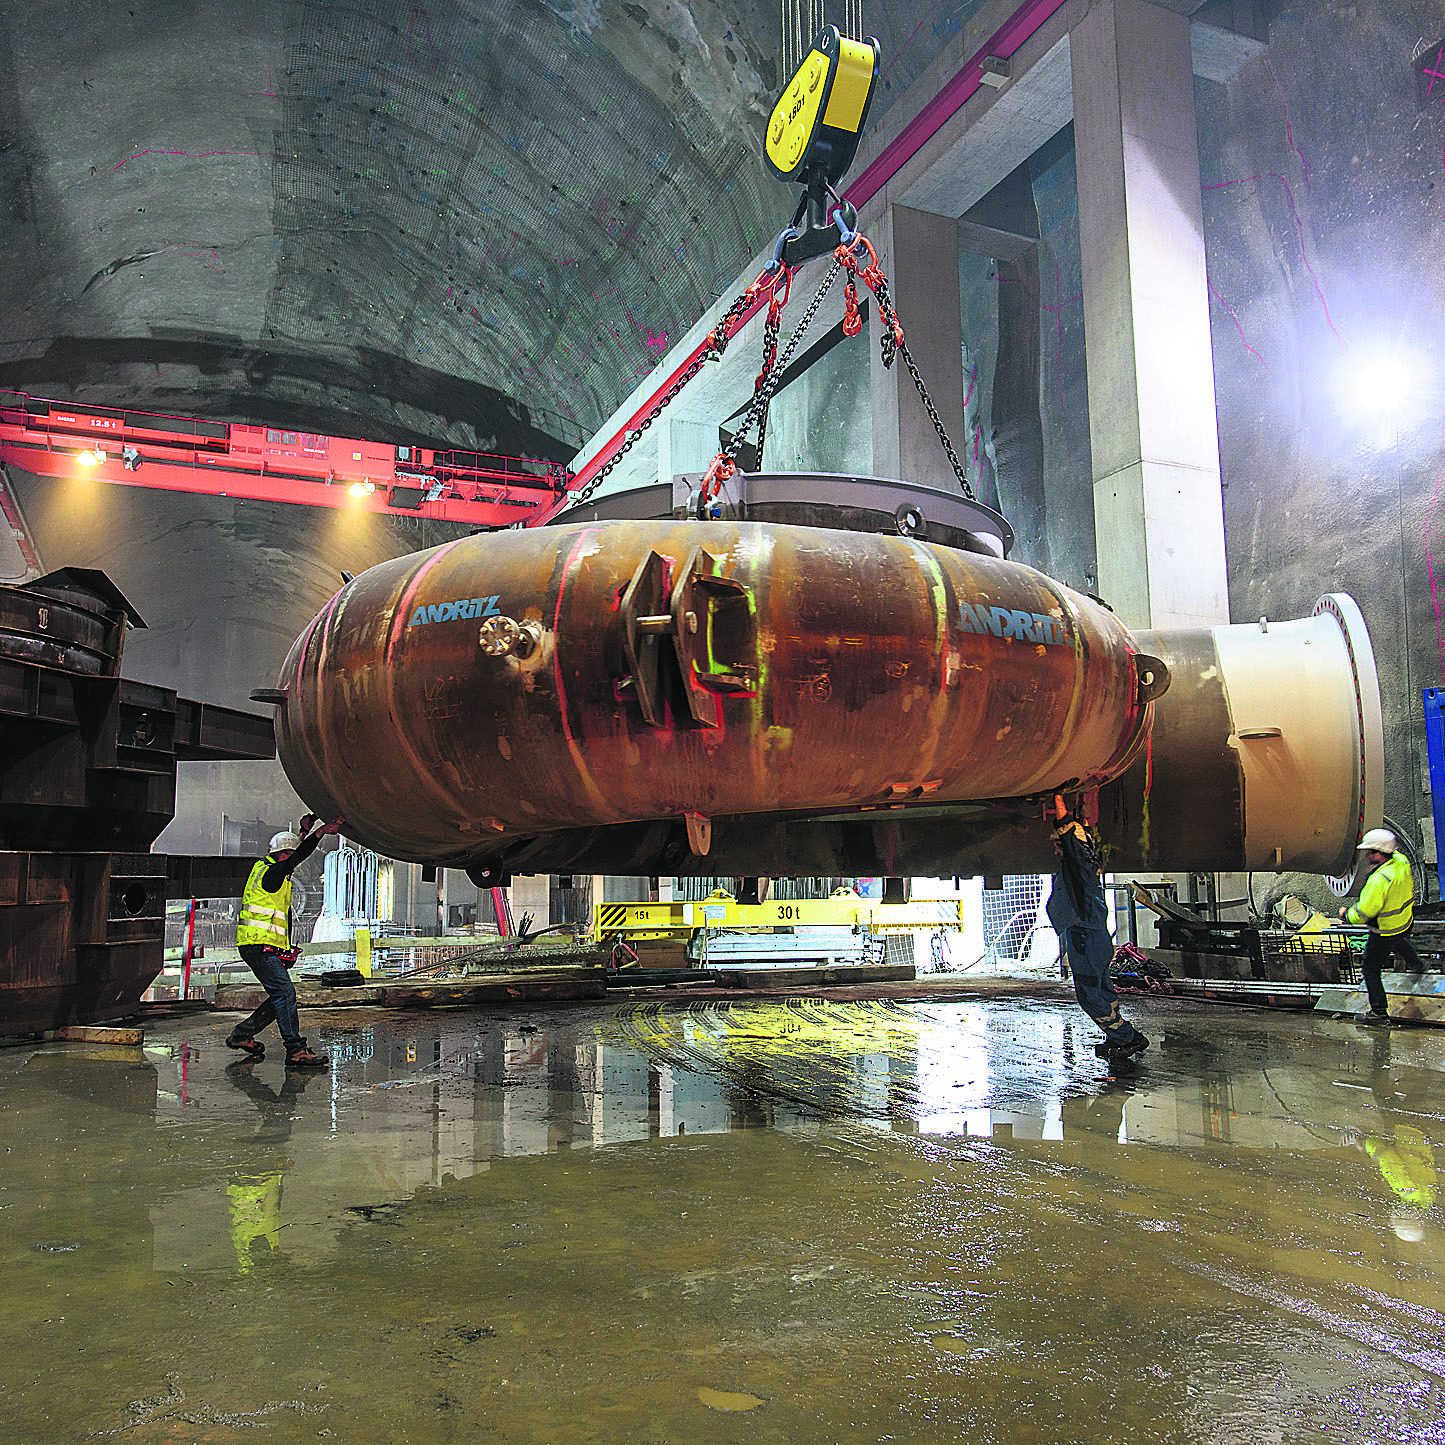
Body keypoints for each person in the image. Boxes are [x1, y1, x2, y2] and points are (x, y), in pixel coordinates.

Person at [226, 813, 341, 1066]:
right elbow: (297, 856)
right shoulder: (274, 874)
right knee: (285, 992)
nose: (293, 862)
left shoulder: (265, 867)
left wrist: (302, 832)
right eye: (290, 857)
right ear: (284, 856)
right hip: (259, 945)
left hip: (258, 944)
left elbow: (292, 855)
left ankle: (242, 1035)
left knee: (280, 995)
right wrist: (320, 833)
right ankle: (296, 1050)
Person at [1045, 796, 1149, 1072]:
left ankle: (1127, 1037)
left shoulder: (1079, 865)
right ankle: (1117, 1035)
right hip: (1093, 939)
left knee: (1090, 996)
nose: (1056, 851)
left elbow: (1073, 843)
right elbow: (1079, 844)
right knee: (1103, 991)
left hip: (1086, 940)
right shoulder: (1088, 867)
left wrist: (1060, 807)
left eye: (1058, 846)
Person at [1338, 828, 1423, 1026]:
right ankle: (1417, 965)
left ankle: (1379, 1013)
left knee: (1370, 968)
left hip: (1384, 930)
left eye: (1369, 852)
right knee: (1399, 940)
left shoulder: (1379, 880)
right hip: (1404, 921)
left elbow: (1364, 912)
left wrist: (1346, 915)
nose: (1367, 855)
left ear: (1378, 853)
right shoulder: (1401, 862)